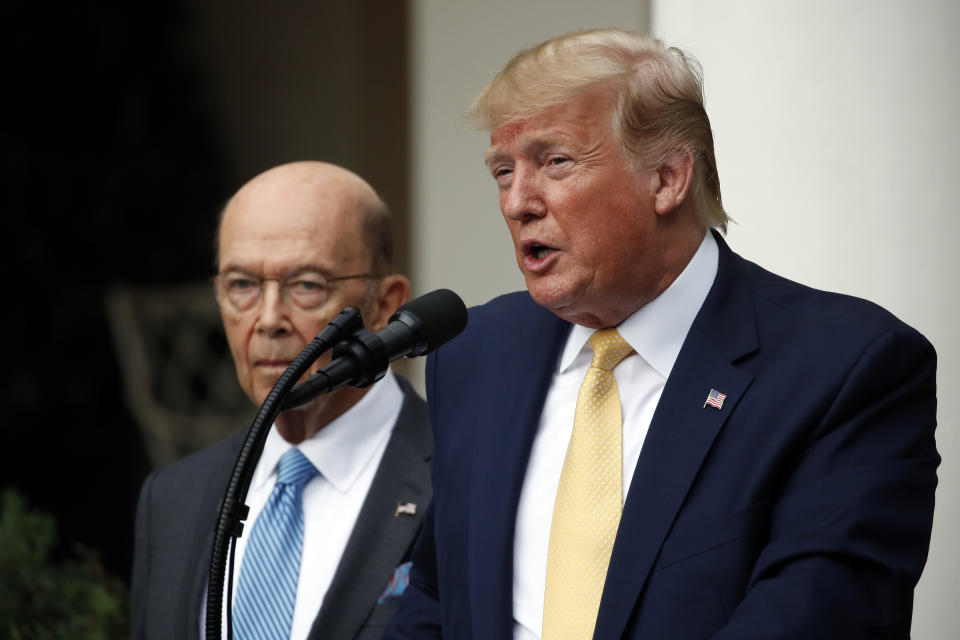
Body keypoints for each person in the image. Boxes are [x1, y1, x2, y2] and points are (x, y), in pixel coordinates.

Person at [384, 29, 939, 639]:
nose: (517, 203)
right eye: (502, 171)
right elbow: (437, 596)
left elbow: (816, 615)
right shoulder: (476, 351)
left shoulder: (846, 369)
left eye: (556, 162)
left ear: (667, 178)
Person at [131, 161, 432, 640]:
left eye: (307, 285)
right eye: (242, 286)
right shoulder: (173, 497)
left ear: (385, 304)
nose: (269, 319)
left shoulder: (464, 478)